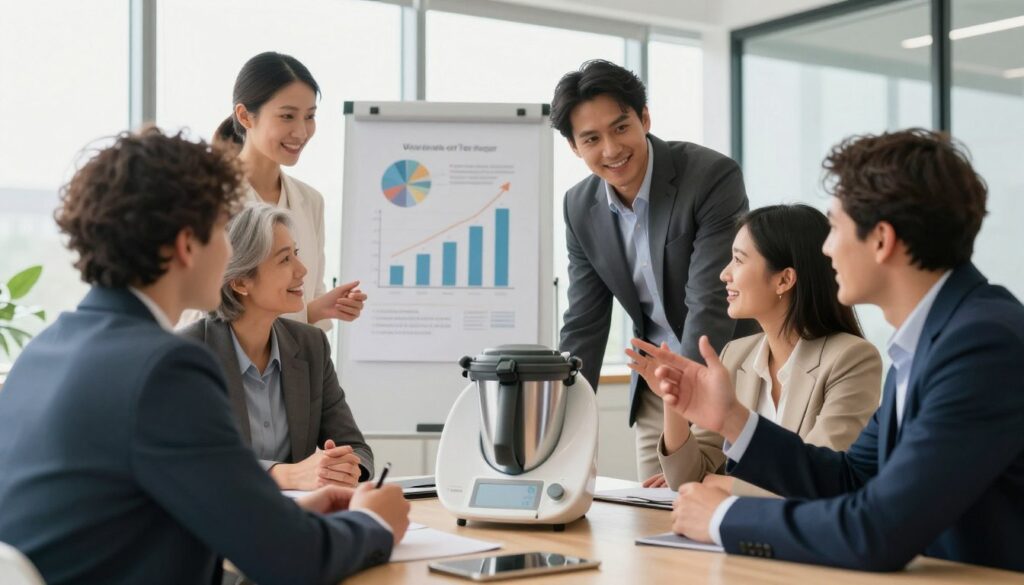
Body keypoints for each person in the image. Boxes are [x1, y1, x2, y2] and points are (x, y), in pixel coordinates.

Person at [0, 128, 409, 585]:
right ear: (186, 244)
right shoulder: (165, 368)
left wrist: (280, 516)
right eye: (221, 228)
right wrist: (374, 523)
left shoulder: (44, 350)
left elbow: (125, 520)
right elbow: (292, 563)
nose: (230, 249)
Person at [646, 129, 1024, 572]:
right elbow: (849, 479)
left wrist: (724, 518)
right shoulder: (927, 342)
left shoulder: (980, 345)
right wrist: (731, 418)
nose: (825, 249)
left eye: (836, 227)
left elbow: (880, 529)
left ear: (881, 240)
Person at [550, 59, 752, 479]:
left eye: (621, 128)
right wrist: (559, 411)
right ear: (574, 146)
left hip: (726, 371)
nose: (611, 150)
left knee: (727, 512)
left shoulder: (709, 176)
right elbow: (584, 321)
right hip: (655, 387)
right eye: (591, 138)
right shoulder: (578, 206)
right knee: (655, 515)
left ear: (644, 118)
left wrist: (687, 392)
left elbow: (709, 300)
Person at [629, 205, 881, 495]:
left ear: (784, 280)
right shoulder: (735, 355)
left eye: (738, 260)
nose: (725, 274)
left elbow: (819, 482)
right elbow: (687, 479)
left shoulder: (852, 359)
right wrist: (671, 399)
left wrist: (718, 483)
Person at [181, 204, 373, 490]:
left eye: (296, 254)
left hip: (300, 519)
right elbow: (192, 460)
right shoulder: (188, 353)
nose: (302, 270)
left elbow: (356, 448)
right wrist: (283, 474)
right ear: (240, 282)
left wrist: (343, 467)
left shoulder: (311, 345)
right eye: (285, 260)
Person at [225, 51, 365, 328]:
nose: (301, 132)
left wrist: (322, 309)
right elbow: (199, 315)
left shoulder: (310, 201)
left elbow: (308, 302)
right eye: (287, 116)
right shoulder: (212, 199)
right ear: (244, 116)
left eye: (309, 116)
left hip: (294, 366)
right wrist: (307, 312)